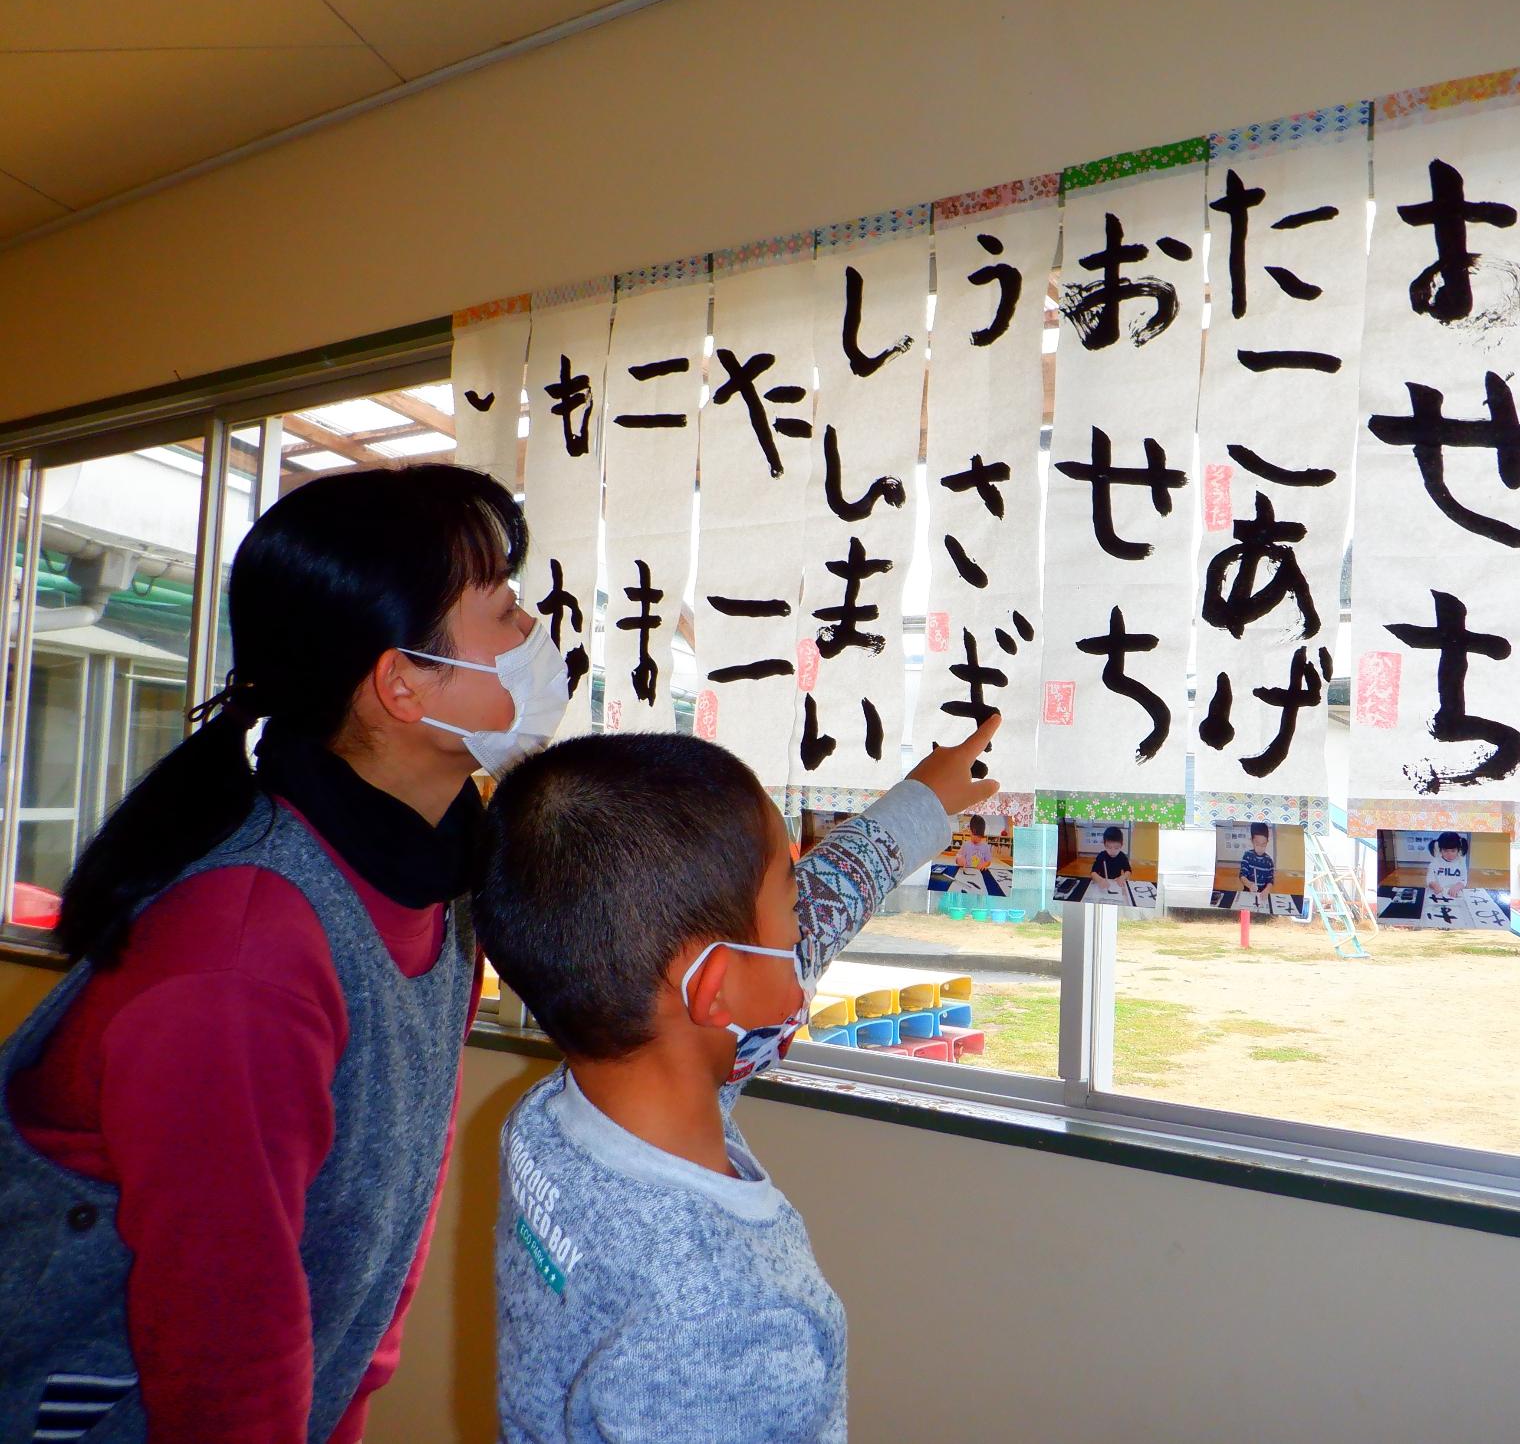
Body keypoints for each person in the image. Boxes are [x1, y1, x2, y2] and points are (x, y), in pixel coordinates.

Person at [0, 464, 558, 1443]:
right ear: (399, 684)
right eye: (505, 611)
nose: (535, 637)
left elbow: (368, 1242)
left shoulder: (436, 878)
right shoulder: (243, 952)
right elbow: (224, 1351)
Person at [476, 718, 997, 1442]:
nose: (801, 918)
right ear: (714, 990)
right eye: (786, 893)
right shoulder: (722, 1321)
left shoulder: (559, 1116)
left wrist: (918, 806)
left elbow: (822, 906)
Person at [1425, 832, 1469, 902]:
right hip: (1438, 893)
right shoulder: (1435, 862)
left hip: (1455, 893)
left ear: (1458, 850)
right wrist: (1434, 885)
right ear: (1440, 849)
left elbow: (1464, 879)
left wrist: (1458, 886)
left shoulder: (1461, 862)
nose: (1449, 854)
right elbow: (1429, 878)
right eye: (1445, 851)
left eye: (1453, 851)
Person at [1238, 823, 1276, 896]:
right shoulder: (1247, 856)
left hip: (1262, 894)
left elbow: (1270, 880)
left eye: (1263, 844)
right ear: (1252, 841)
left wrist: (1267, 890)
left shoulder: (1269, 861)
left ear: (1267, 842)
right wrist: (1249, 884)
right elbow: (1242, 875)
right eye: (1257, 844)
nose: (1260, 847)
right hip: (1248, 892)